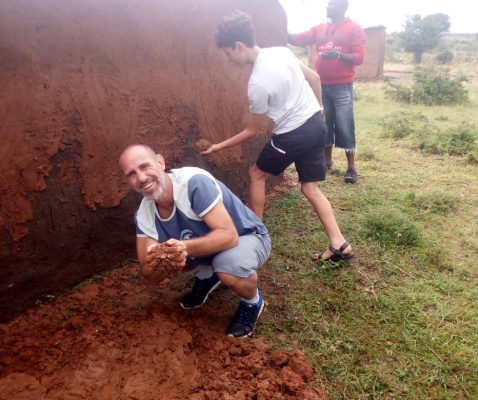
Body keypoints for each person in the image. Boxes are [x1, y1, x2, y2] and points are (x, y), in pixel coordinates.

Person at [201, 11, 353, 262]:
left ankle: (254, 235)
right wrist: (320, 113)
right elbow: (314, 78)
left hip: (293, 134)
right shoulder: (281, 52)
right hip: (316, 124)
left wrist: (217, 146)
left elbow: (251, 131)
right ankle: (339, 244)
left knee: (256, 174)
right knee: (310, 187)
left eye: (228, 53)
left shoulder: (257, 84)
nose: (228, 59)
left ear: (238, 46)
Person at [119, 144, 271, 338]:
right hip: (210, 247)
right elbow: (148, 272)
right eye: (131, 174)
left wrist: (182, 248)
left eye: (144, 166)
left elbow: (229, 235)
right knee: (171, 252)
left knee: (226, 266)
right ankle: (207, 276)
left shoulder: (193, 183)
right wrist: (162, 259)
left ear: (160, 162)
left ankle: (253, 302)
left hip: (247, 236)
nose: (141, 178)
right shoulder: (145, 214)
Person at [288, 0, 365, 183]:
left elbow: (359, 57)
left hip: (342, 86)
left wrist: (337, 55)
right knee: (325, 124)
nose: (327, 6)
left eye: (332, 4)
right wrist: (280, 29)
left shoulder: (353, 28)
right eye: (328, 3)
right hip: (320, 85)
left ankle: (351, 168)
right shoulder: (320, 28)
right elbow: (299, 39)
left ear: (342, 6)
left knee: (345, 125)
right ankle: (327, 162)